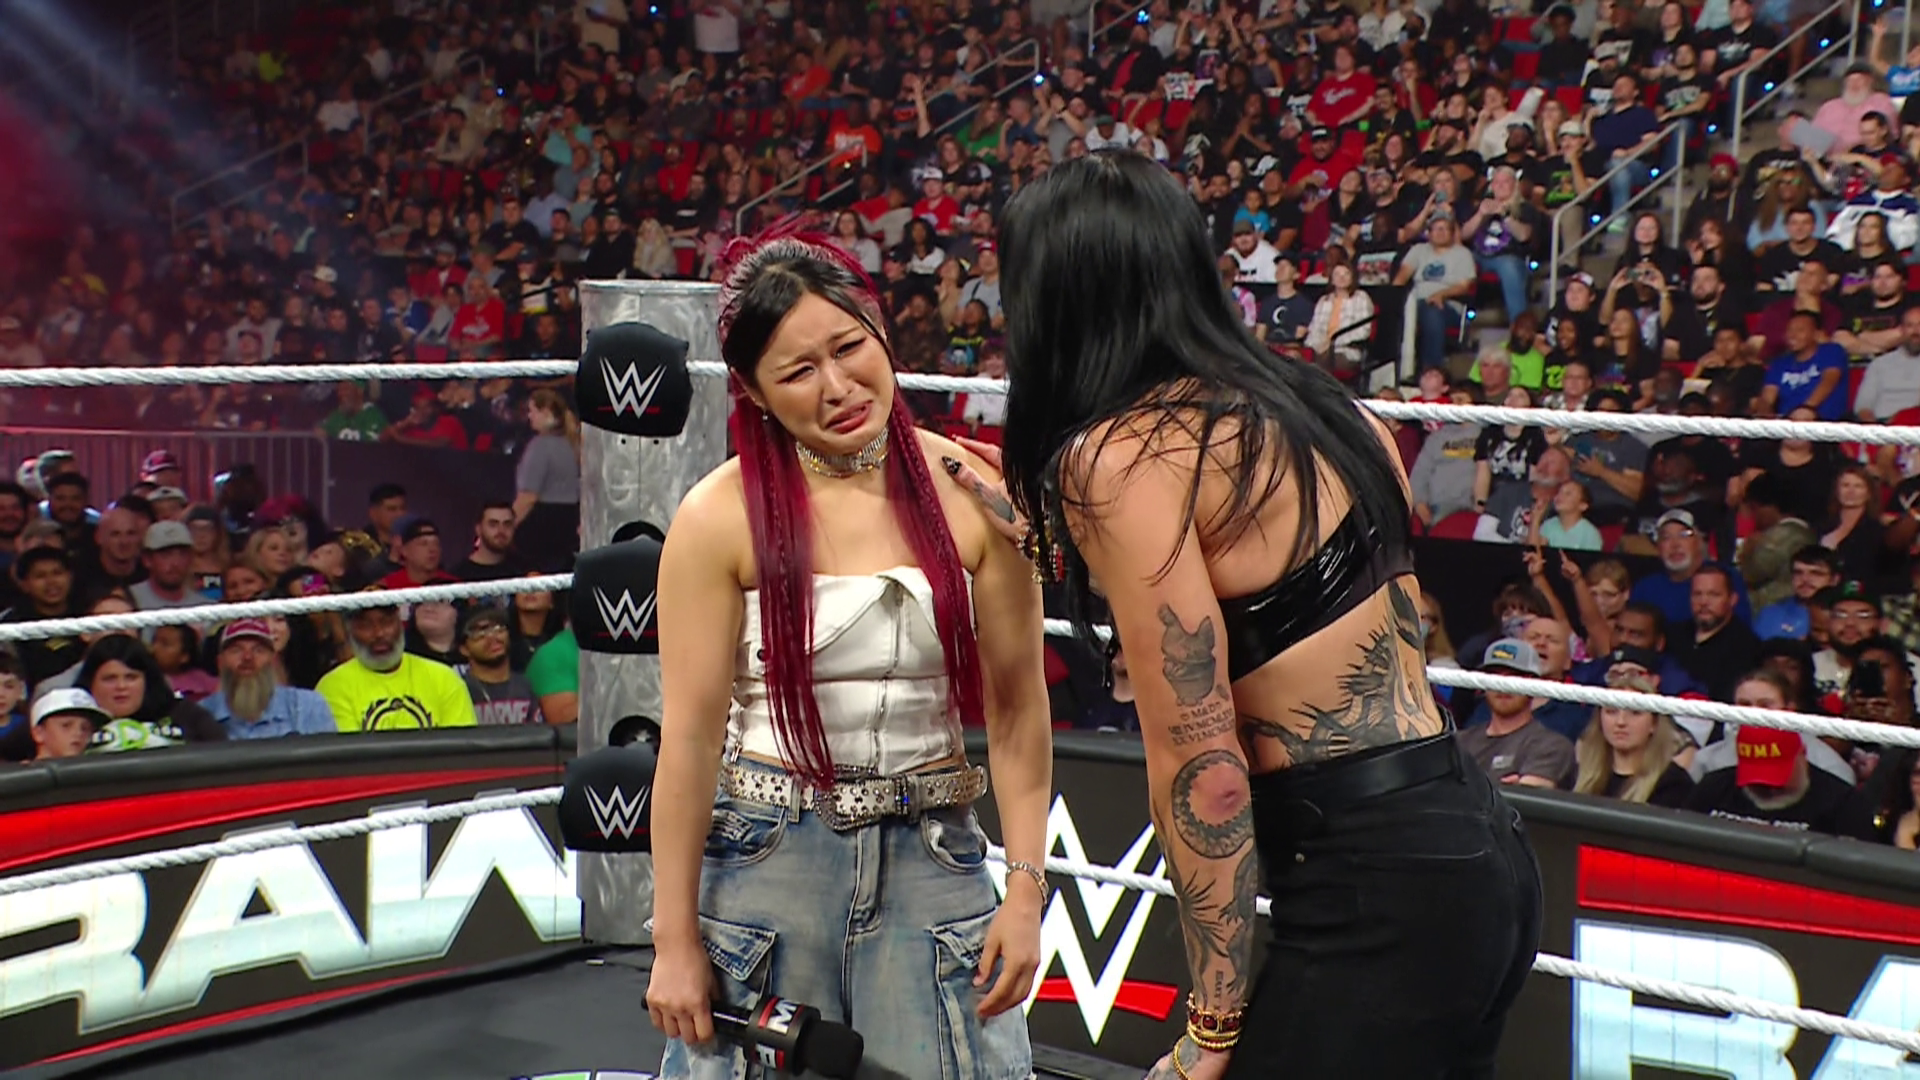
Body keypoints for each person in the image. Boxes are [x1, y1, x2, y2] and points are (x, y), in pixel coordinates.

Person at [970, 152, 1540, 1078]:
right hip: (1477, 843)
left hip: (1373, 887)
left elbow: (1207, 776)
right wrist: (1041, 532)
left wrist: (1212, 1025)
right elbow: (1286, 589)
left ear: (1054, 298)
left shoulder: (1120, 459)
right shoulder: (1324, 405)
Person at [643, 230, 1052, 1080]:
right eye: (798, 371)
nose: (837, 388)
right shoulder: (717, 517)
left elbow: (1018, 710)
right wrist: (673, 939)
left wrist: (1024, 888)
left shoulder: (975, 493)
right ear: (754, 393)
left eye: (848, 348)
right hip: (766, 859)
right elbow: (687, 740)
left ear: (879, 330)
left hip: (934, 854)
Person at [199, 619, 337, 739]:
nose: (247, 657)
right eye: (236, 650)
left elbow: (329, 760)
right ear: (220, 663)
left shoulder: (308, 707)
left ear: (273, 661)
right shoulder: (199, 716)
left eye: (258, 650)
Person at [26, 688, 108, 762]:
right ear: (39, 733)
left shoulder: (97, 772)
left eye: (85, 728)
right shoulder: (22, 773)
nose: (78, 733)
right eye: (66, 725)